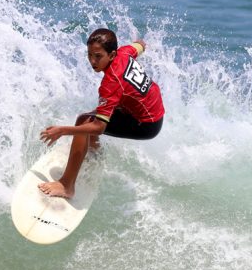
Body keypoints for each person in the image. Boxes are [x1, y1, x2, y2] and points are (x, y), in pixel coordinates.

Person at [38, 28, 165, 198]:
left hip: (146, 124)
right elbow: (140, 45)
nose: (92, 61)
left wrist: (63, 131)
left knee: (84, 123)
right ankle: (93, 152)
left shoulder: (111, 83)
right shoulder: (124, 52)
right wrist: (141, 44)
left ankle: (66, 186)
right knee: (86, 119)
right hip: (152, 107)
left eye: (98, 56)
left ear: (112, 55)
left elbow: (98, 127)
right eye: (90, 55)